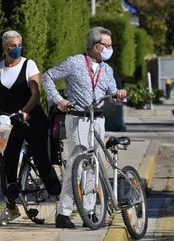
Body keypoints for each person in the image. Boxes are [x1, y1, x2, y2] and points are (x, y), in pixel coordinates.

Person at [0, 30, 61, 225]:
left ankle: (61, 201)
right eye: (12, 46)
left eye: (19, 45)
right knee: (8, 164)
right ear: (4, 48)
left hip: (32, 118)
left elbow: (35, 93)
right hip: (10, 121)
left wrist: (26, 110)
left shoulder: (29, 65)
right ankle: (11, 207)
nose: (17, 48)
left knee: (42, 160)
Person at [41, 26, 127, 228]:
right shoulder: (75, 62)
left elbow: (112, 95)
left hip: (98, 120)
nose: (110, 49)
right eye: (108, 45)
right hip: (78, 118)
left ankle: (89, 211)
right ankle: (63, 214)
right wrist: (58, 100)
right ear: (96, 46)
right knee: (75, 166)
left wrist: (119, 96)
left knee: (94, 166)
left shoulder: (107, 70)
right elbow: (47, 77)